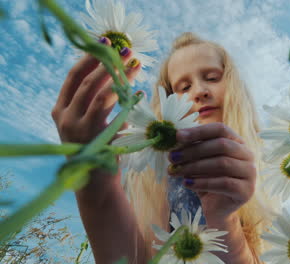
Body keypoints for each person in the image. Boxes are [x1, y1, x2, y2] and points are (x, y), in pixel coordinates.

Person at [51, 32, 275, 264]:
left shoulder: (271, 172)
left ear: (234, 85)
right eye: (184, 86)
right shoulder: (154, 176)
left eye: (212, 77)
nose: (199, 91)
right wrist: (95, 181)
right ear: (169, 101)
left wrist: (224, 219)